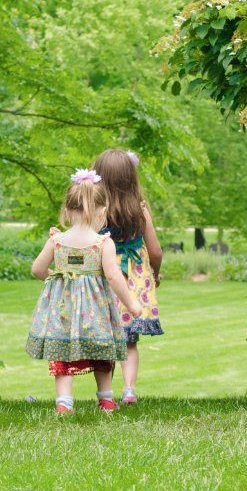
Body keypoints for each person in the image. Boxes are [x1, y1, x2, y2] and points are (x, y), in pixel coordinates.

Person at [26, 168, 144, 415]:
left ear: (67, 211)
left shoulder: (57, 241)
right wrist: (132, 304)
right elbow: (113, 276)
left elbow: (37, 269)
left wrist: (58, 280)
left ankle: (64, 402)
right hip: (96, 310)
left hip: (63, 309)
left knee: (63, 353)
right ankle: (106, 399)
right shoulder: (103, 243)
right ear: (102, 212)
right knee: (102, 349)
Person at [91, 148, 163, 405]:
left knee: (106, 341)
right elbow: (155, 250)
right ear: (131, 178)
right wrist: (155, 272)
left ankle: (106, 394)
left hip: (105, 278)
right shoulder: (140, 208)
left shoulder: (96, 210)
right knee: (130, 340)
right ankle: (129, 389)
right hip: (135, 281)